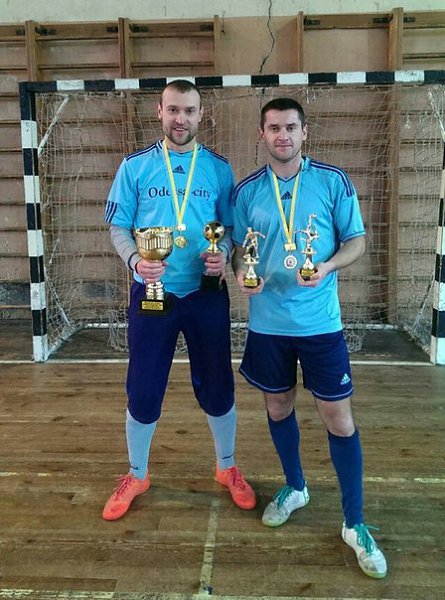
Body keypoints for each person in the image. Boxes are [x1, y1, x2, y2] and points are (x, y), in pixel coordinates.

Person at [232, 97, 387, 579]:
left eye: (290, 127)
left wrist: (328, 266)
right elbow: (239, 249)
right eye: (274, 128)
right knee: (278, 407)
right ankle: (296, 487)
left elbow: (356, 241)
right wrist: (241, 274)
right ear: (262, 134)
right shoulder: (247, 191)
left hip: (321, 325)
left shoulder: (333, 181)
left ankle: (354, 523)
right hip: (268, 326)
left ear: (305, 132)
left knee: (338, 418)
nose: (283, 135)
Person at [102, 79, 256, 521]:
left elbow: (230, 231)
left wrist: (223, 256)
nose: (180, 119)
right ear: (159, 112)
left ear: (201, 114)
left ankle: (227, 467)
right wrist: (136, 260)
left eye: (189, 111)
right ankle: (137, 474)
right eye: (173, 110)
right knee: (143, 386)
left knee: (217, 383)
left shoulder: (219, 169)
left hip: (205, 293)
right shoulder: (135, 167)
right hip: (153, 293)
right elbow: (118, 227)